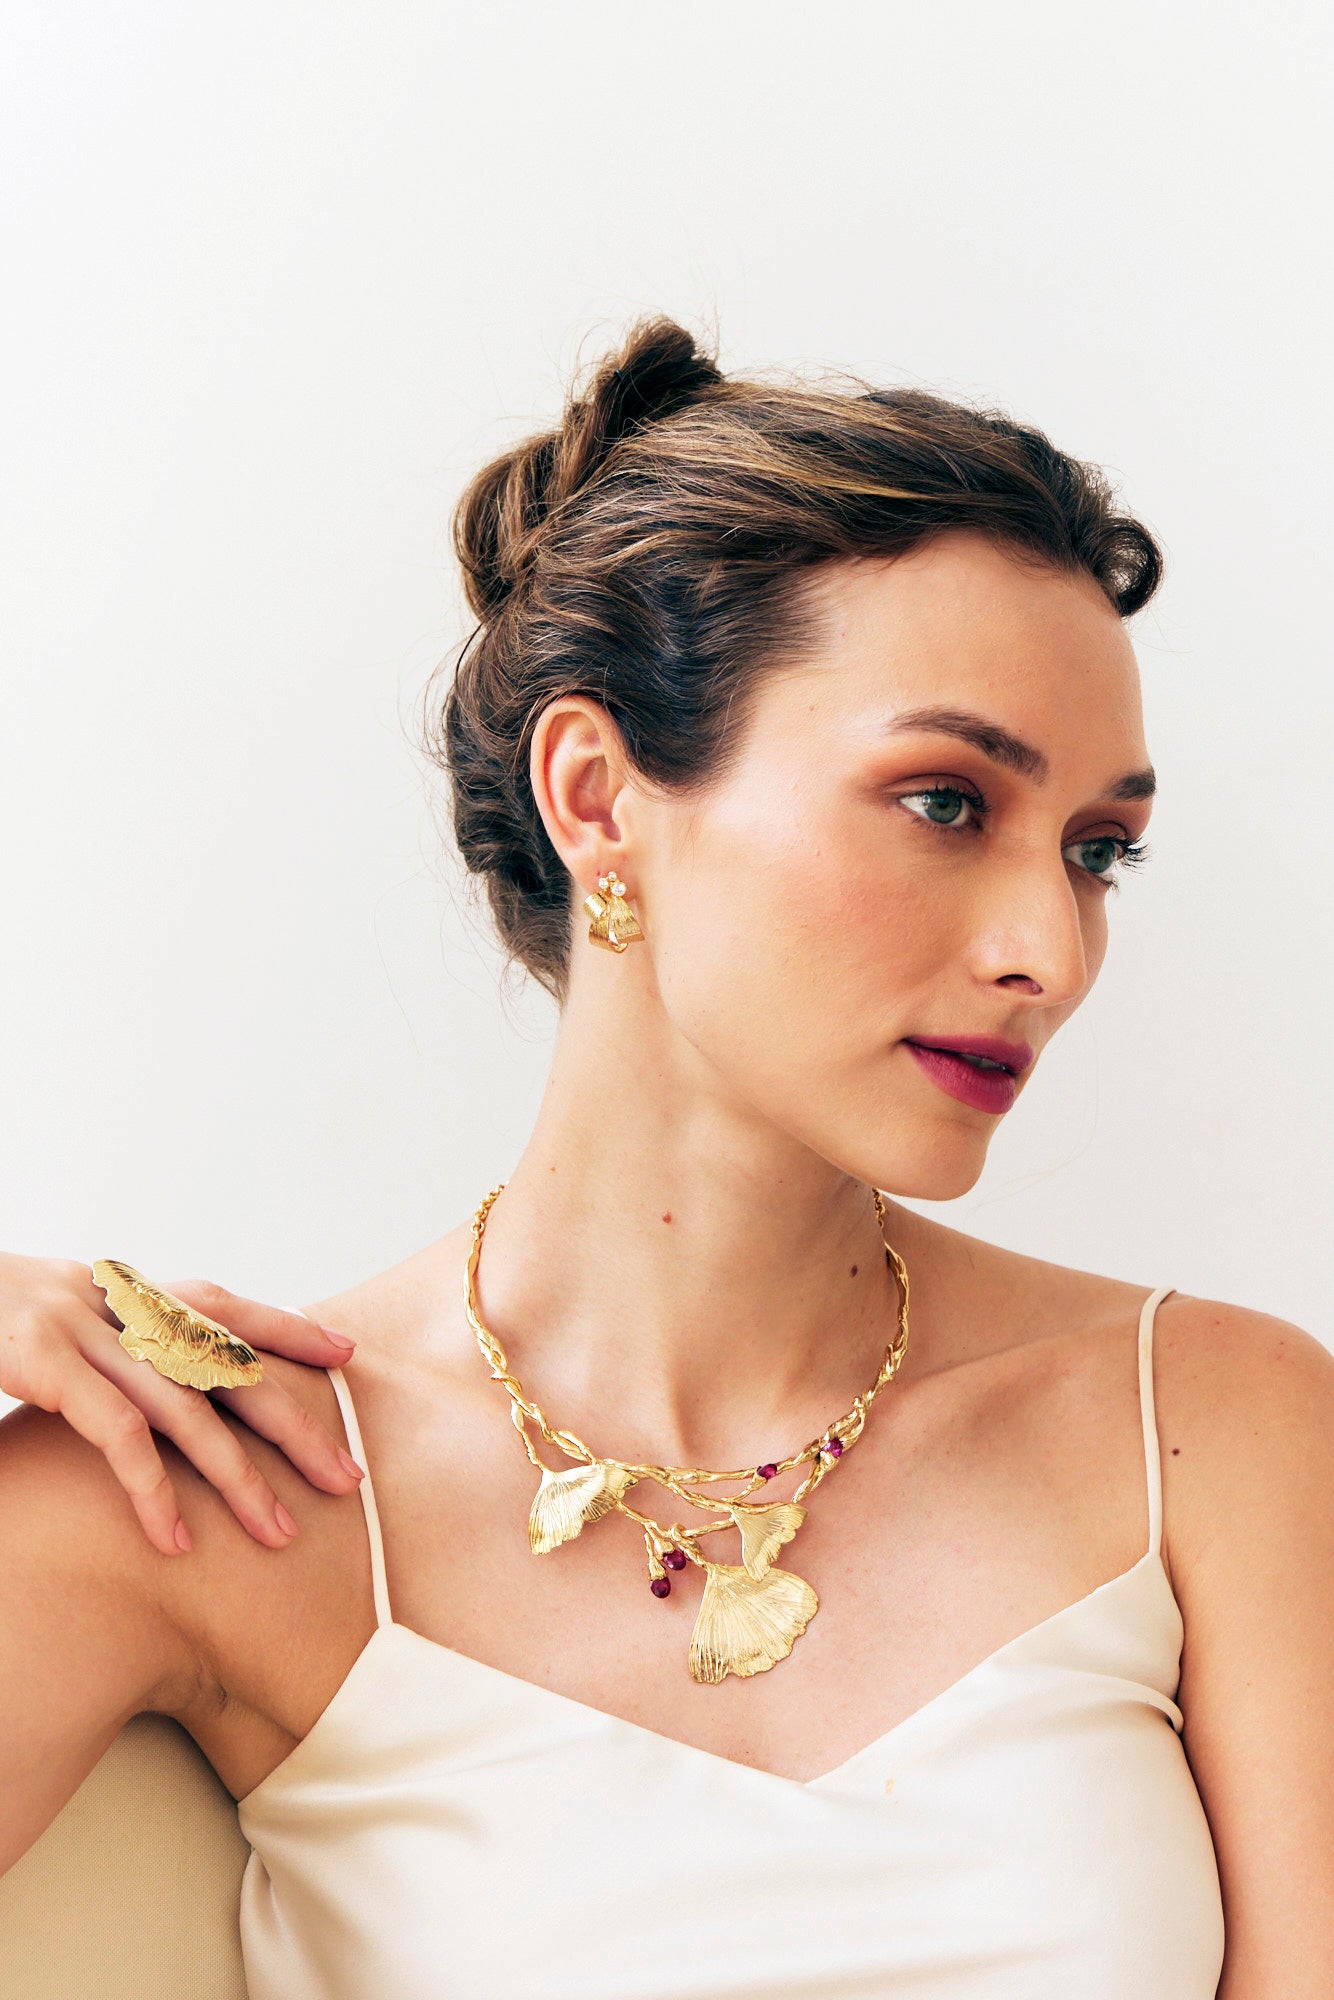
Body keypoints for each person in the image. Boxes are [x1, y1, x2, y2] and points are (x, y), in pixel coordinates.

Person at [2, 317, 1330, 1998]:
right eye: (943, 802)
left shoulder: (1209, 1429)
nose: (1047, 955)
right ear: (597, 797)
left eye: (1095, 852)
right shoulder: (211, 1483)